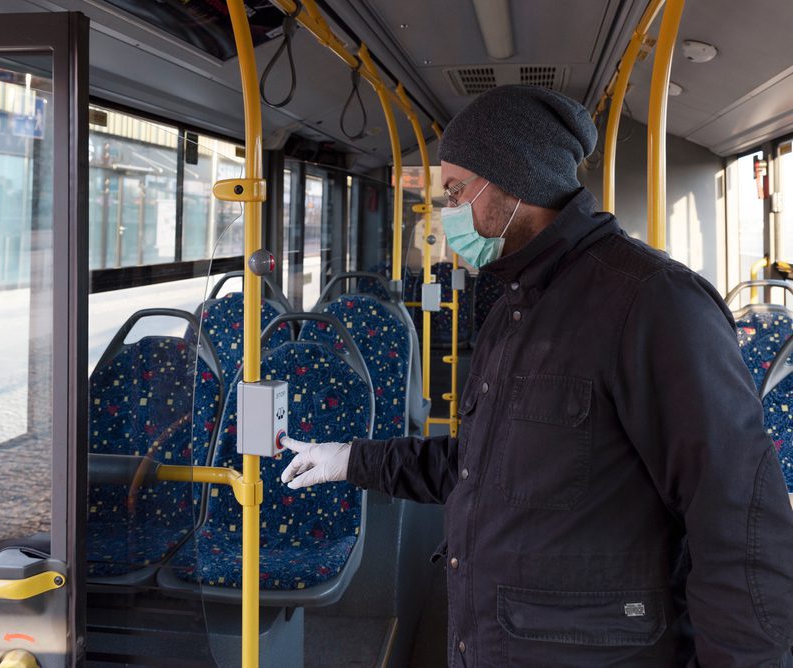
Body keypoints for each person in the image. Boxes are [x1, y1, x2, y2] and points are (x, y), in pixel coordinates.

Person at [280, 85, 793, 666]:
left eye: (454, 191)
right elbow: (480, 465)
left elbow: (738, 523)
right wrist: (350, 459)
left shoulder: (653, 303)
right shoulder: (513, 305)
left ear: (514, 180)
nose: (447, 214)